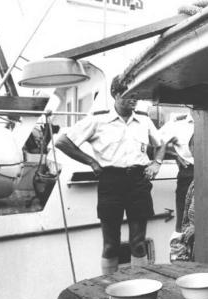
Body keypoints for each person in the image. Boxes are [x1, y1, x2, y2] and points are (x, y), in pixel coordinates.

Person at [55, 75, 167, 274]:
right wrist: (91, 162)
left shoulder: (144, 121)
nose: (134, 99)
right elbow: (62, 142)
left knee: (138, 243)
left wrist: (156, 163)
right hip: (111, 182)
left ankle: (139, 286)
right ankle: (109, 290)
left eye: (137, 95)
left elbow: (160, 144)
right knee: (110, 245)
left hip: (138, 181)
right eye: (129, 94)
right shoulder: (98, 120)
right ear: (115, 94)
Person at [159, 113, 194, 235]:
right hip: (189, 173)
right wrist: (174, 154)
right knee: (183, 223)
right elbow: (154, 143)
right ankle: (180, 252)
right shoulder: (177, 124)